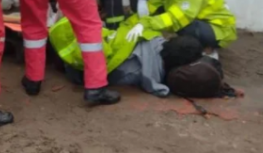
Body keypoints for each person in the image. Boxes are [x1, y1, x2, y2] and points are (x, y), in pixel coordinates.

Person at [49, 14, 208, 97]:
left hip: (90, 43)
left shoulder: (152, 36)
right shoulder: (143, 73)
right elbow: (110, 76)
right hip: (77, 64)